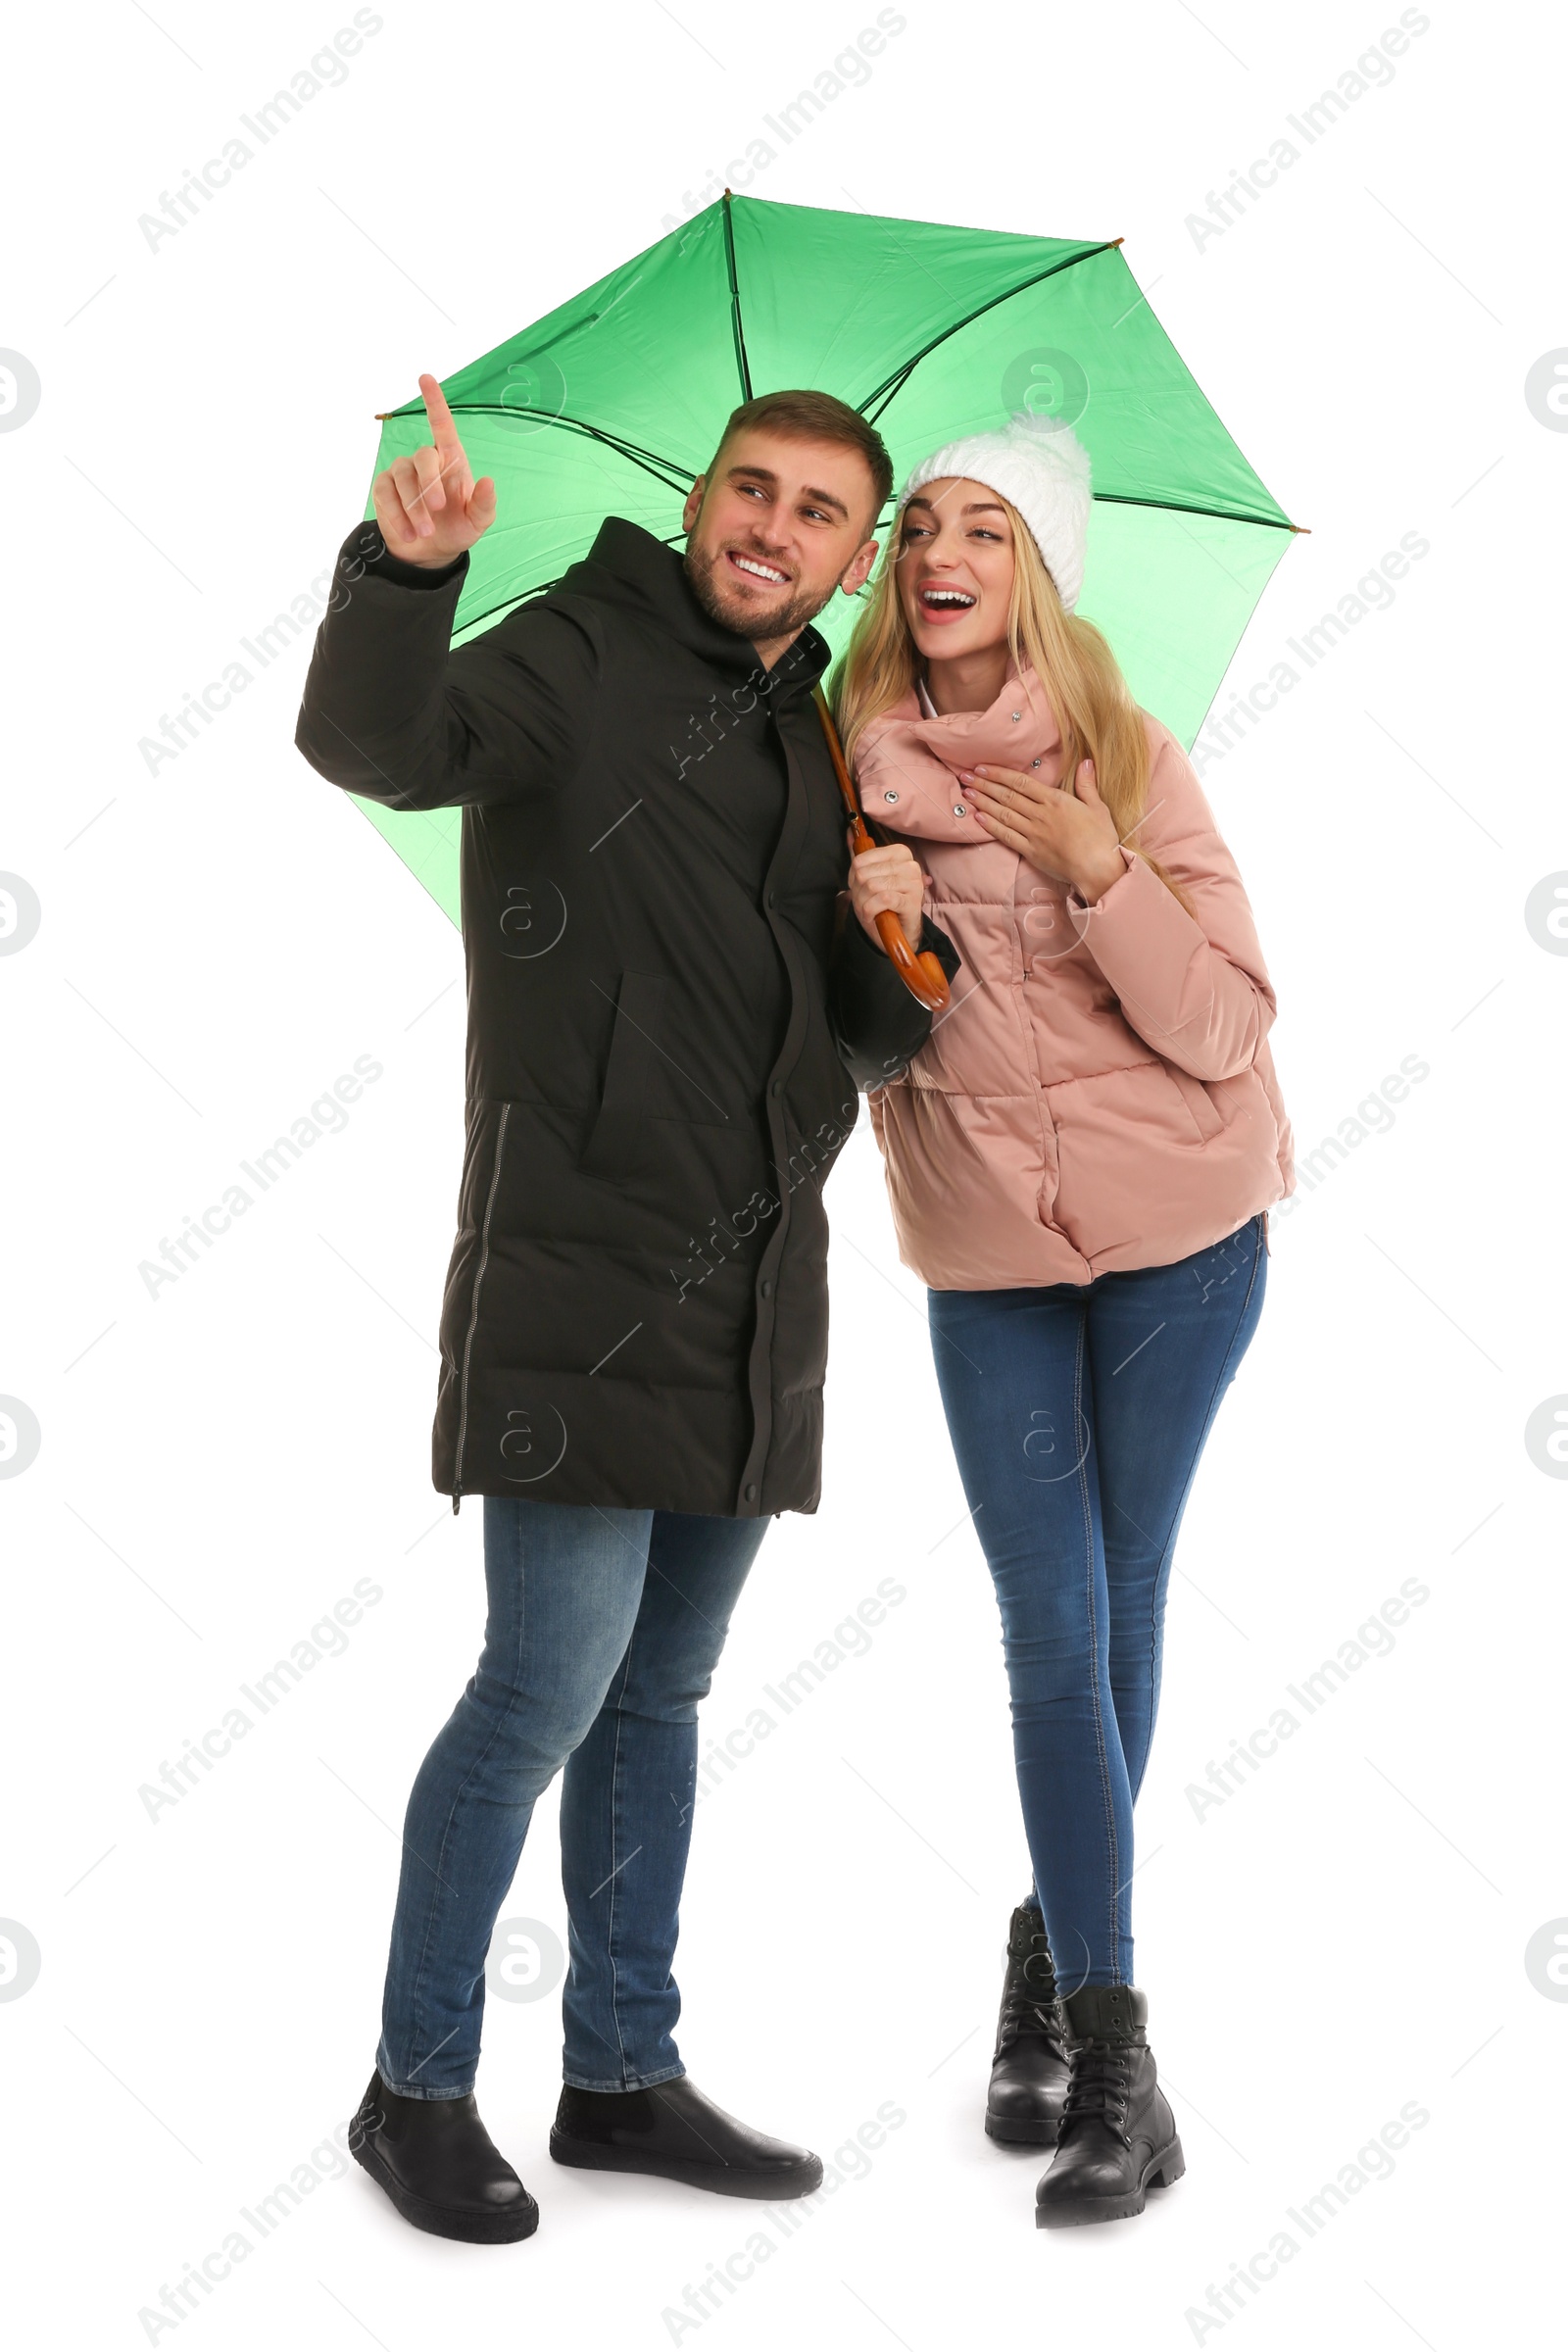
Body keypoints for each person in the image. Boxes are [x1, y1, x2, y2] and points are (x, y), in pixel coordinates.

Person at [294, 376, 958, 2243]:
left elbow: (847, 1034)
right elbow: (380, 743)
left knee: (659, 1700)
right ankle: (413, 2087)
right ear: (701, 498)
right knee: (538, 1694)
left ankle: (618, 2074)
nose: (776, 528)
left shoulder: (810, 730)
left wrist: (904, 943)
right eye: (752, 488)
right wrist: (402, 572)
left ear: (852, 552)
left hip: (753, 1298)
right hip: (580, 1282)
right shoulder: (577, 648)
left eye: (821, 514)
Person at [832, 411, 1292, 2229]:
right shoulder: (842, 775)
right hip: (991, 1263)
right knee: (1054, 1629)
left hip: (1187, 1244)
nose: (941, 553)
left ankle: (1063, 1996)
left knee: (1116, 1605)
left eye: (987, 530)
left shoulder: (1130, 754)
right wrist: (892, 947)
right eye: (920, 526)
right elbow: (866, 1055)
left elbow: (1229, 1029)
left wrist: (1102, 865)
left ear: (1042, 570)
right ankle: (1118, 2047)